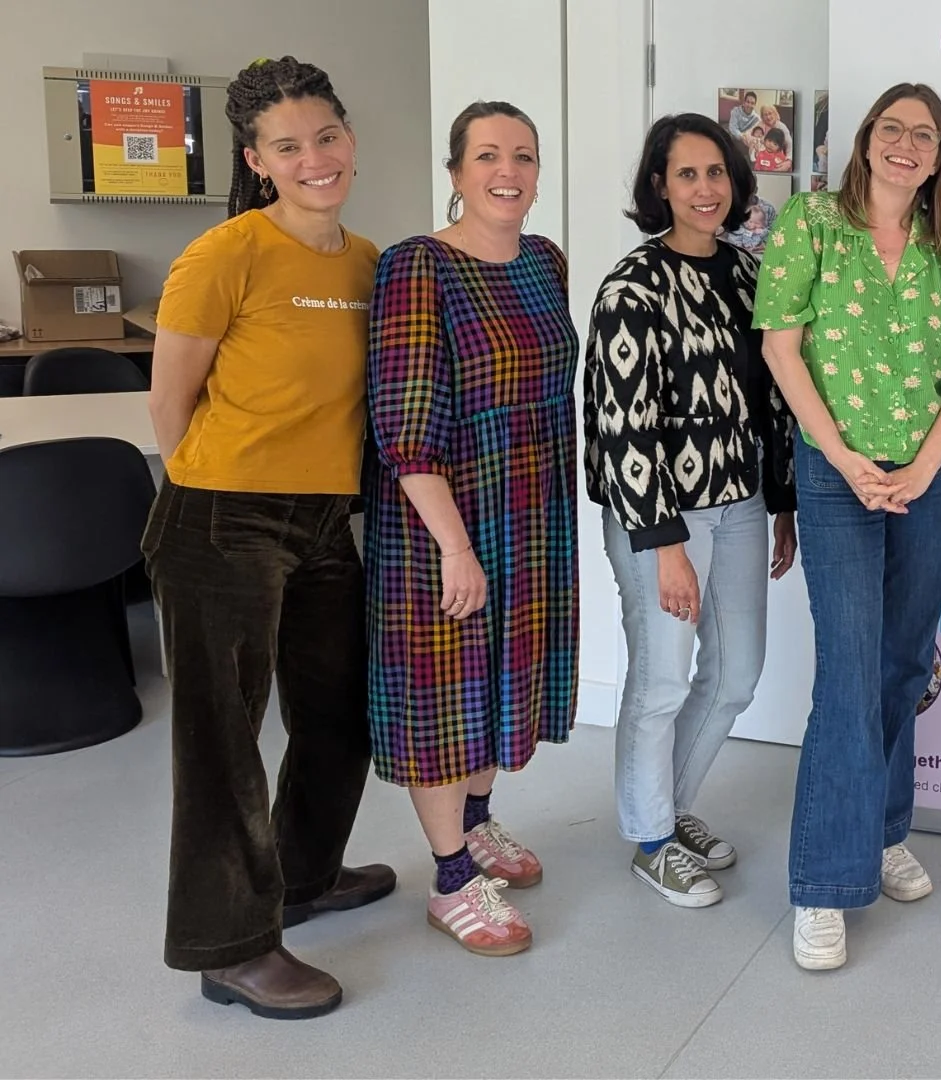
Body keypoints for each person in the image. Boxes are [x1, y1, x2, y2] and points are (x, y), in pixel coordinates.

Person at [143, 55, 394, 1022]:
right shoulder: (224, 255)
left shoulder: (369, 261)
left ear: (349, 139)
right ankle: (231, 947)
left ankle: (303, 873)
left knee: (340, 716)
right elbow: (171, 403)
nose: (315, 158)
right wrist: (215, 499)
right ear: (257, 160)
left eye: (326, 136)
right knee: (223, 743)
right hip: (221, 515)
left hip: (325, 519)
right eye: (288, 146)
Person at [753, 82, 941, 972]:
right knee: (849, 671)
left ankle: (886, 831)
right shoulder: (812, 223)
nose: (905, 144)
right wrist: (846, 459)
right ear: (865, 141)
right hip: (834, 468)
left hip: (925, 475)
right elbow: (782, 346)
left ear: (939, 156)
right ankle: (822, 883)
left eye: (922, 135)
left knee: (901, 660)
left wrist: (925, 468)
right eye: (892, 128)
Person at [365, 101, 580, 957]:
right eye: (488, 155)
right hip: (443, 519)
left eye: (523, 156)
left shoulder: (544, 261)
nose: (508, 170)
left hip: (531, 510)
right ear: (455, 173)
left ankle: (480, 823)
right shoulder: (417, 267)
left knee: (500, 683)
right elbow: (403, 422)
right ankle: (450, 878)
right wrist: (455, 544)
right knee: (444, 697)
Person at [583, 113, 798, 909]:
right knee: (663, 680)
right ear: (658, 187)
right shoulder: (631, 287)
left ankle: (666, 812)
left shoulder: (748, 277)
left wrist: (782, 503)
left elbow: (767, 403)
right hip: (662, 516)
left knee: (736, 674)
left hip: (741, 505)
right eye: (687, 175)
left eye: (717, 173)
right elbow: (621, 421)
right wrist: (664, 544)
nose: (705, 189)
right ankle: (650, 839)